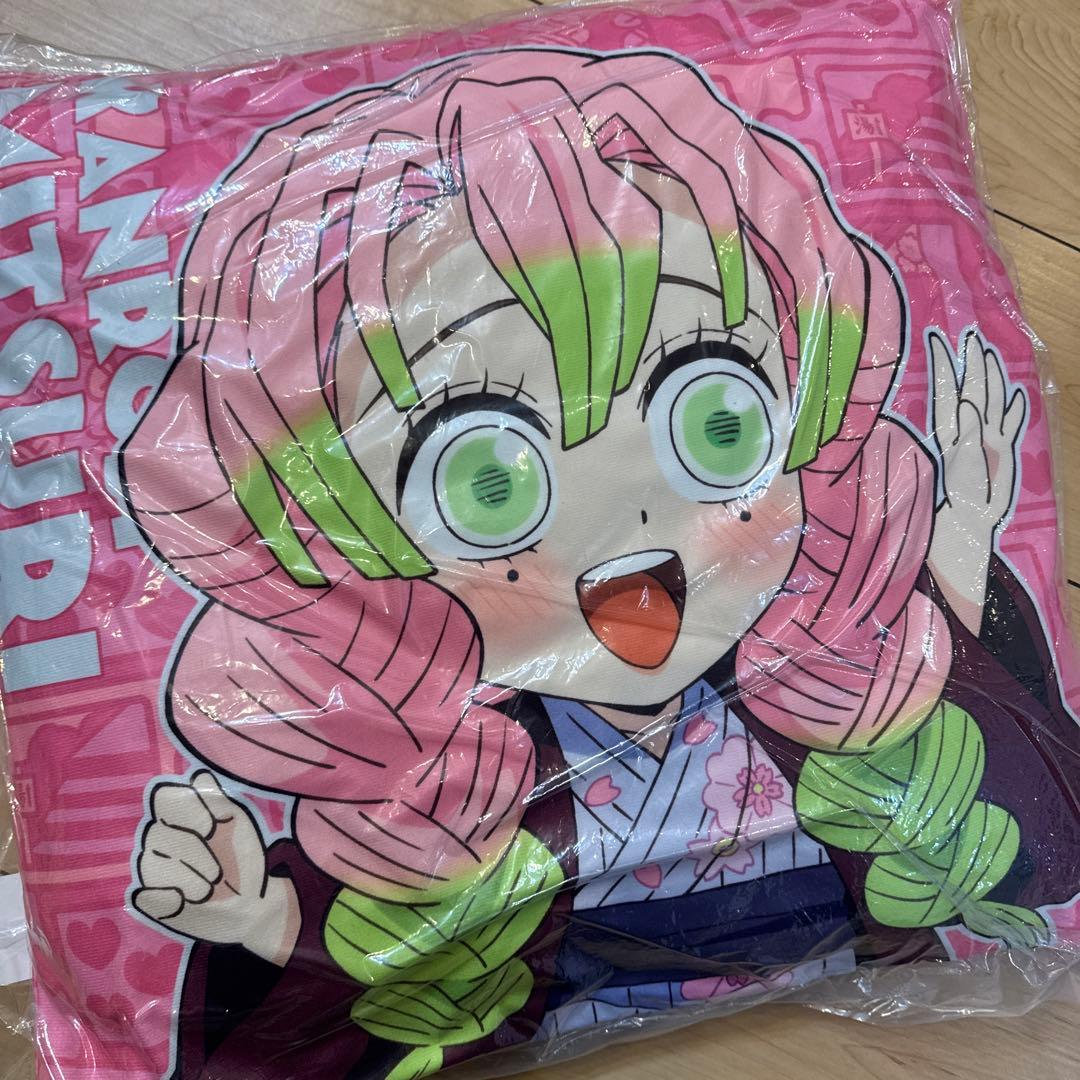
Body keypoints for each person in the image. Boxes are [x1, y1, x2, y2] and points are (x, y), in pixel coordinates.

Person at [120, 47, 1080, 1080]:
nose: (634, 533)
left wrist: (955, 562)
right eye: (485, 484)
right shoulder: (452, 771)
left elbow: (1043, 848)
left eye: (717, 422)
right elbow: (369, 976)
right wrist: (259, 919)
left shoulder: (823, 667)